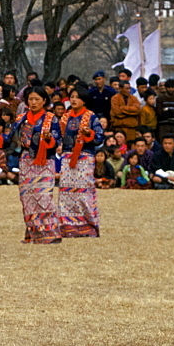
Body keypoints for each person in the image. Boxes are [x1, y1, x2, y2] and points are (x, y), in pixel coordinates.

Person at [7, 87, 62, 244]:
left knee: (43, 196)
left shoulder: (52, 119)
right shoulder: (21, 118)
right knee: (27, 198)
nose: (33, 102)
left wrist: (49, 139)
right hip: (25, 160)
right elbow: (8, 137)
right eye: (30, 99)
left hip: (45, 160)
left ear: (44, 101)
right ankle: (32, 233)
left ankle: (50, 233)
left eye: (37, 99)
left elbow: (56, 142)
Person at [57, 84, 104, 238]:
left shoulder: (91, 117)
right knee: (66, 192)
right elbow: (58, 136)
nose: (74, 100)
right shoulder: (65, 117)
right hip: (67, 157)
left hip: (85, 157)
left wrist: (88, 132)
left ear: (84, 100)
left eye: (77, 97)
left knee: (84, 192)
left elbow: (99, 137)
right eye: (72, 97)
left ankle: (88, 226)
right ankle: (67, 226)